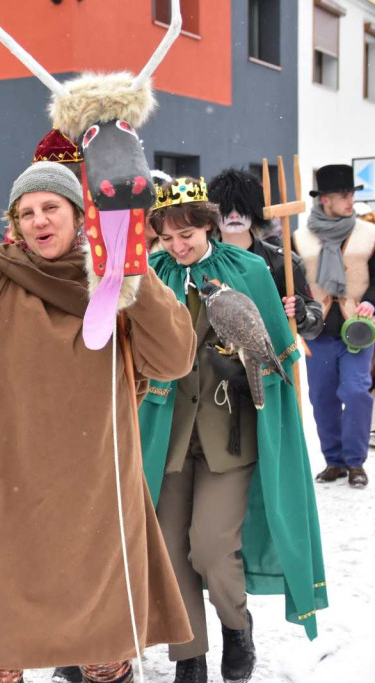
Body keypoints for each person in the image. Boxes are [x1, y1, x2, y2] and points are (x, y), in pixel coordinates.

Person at [0, 106, 195, 683]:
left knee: (104, 655)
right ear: (14, 223)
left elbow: (174, 359)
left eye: (51, 208)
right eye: (27, 212)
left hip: (96, 496)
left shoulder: (118, 281)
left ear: (80, 214)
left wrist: (135, 271)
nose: (39, 221)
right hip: (2, 495)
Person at [141, 177, 327, 683]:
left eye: (188, 233)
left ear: (209, 225)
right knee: (169, 545)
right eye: (167, 237)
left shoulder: (248, 270)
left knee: (212, 546)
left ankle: (235, 626)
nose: (178, 246)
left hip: (230, 436)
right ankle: (189, 655)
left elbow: (279, 353)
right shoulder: (149, 276)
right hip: (168, 436)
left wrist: (258, 357)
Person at [293, 164, 375, 488]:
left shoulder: (370, 233)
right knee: (322, 396)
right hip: (317, 331)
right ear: (324, 199)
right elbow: (292, 282)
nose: (350, 201)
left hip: (358, 328)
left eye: (352, 194)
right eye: (343, 195)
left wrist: (371, 300)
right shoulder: (299, 238)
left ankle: (355, 462)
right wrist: (297, 305)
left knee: (356, 392)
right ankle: (334, 461)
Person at [209, 168, 323, 340]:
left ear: (254, 210)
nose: (234, 215)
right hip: (218, 360)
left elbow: (313, 326)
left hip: (272, 359)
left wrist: (301, 315)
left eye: (242, 207)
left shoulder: (283, 263)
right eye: (226, 208)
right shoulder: (203, 263)